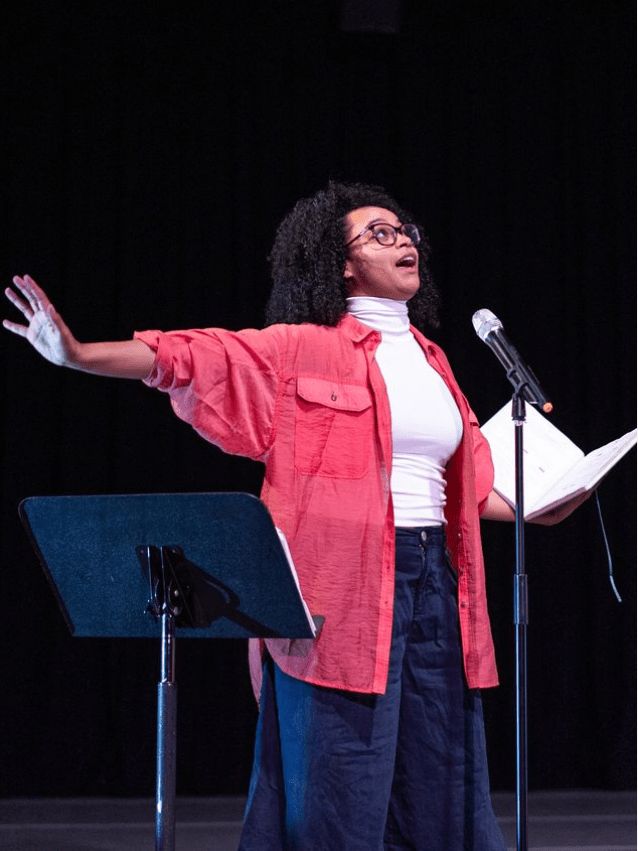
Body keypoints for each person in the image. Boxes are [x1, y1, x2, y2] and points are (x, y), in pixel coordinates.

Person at [4, 181, 587, 850]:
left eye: (406, 231)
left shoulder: (435, 361)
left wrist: (561, 494)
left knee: (442, 777)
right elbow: (190, 356)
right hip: (341, 588)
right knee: (336, 779)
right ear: (341, 263)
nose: (403, 240)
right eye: (379, 233)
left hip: (442, 584)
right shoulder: (301, 348)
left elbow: (475, 488)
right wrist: (76, 354)